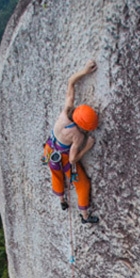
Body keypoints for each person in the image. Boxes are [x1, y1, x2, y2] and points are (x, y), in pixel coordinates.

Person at [43, 60, 100, 224]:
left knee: (55, 173)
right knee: (82, 184)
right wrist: (87, 147)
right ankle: (85, 216)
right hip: (64, 158)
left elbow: (71, 83)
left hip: (49, 149)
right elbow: (74, 158)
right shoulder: (78, 136)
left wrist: (85, 71)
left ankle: (62, 200)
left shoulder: (66, 112)